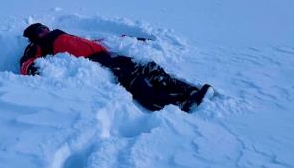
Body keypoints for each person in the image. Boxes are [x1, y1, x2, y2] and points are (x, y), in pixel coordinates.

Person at [19, 23, 212, 112]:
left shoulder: (64, 35)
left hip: (108, 56)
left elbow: (95, 42)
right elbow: (25, 64)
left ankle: (189, 91)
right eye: (40, 30)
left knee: (149, 68)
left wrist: (129, 39)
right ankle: (180, 103)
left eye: (44, 27)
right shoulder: (38, 46)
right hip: (96, 64)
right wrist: (33, 68)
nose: (45, 30)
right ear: (35, 37)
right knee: (137, 84)